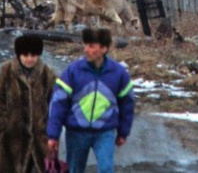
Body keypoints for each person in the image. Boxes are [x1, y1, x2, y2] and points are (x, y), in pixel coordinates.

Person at [47, 27, 134, 173]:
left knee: (106, 169)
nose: (86, 49)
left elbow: (127, 104)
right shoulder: (73, 71)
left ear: (104, 49)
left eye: (91, 46)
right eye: (85, 45)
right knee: (75, 169)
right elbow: (58, 103)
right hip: (76, 132)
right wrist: (53, 134)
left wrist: (123, 132)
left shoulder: (118, 73)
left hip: (105, 132)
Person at [0, 35, 57, 173]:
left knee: (41, 168)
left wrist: (51, 127)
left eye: (33, 55)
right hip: (13, 137)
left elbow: (56, 101)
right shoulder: (7, 70)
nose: (29, 59)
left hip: (40, 138)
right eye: (25, 55)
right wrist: (3, 125)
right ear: (19, 54)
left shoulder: (46, 73)